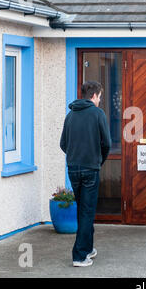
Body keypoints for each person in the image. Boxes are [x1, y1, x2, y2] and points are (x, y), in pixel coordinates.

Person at [60, 81, 111, 267]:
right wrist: (98, 160)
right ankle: (79, 256)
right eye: (100, 96)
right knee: (87, 211)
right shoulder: (98, 114)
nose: (100, 100)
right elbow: (106, 143)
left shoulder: (70, 115)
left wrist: (75, 157)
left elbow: (63, 143)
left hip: (73, 168)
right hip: (90, 169)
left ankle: (88, 248)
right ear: (95, 95)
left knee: (83, 209)